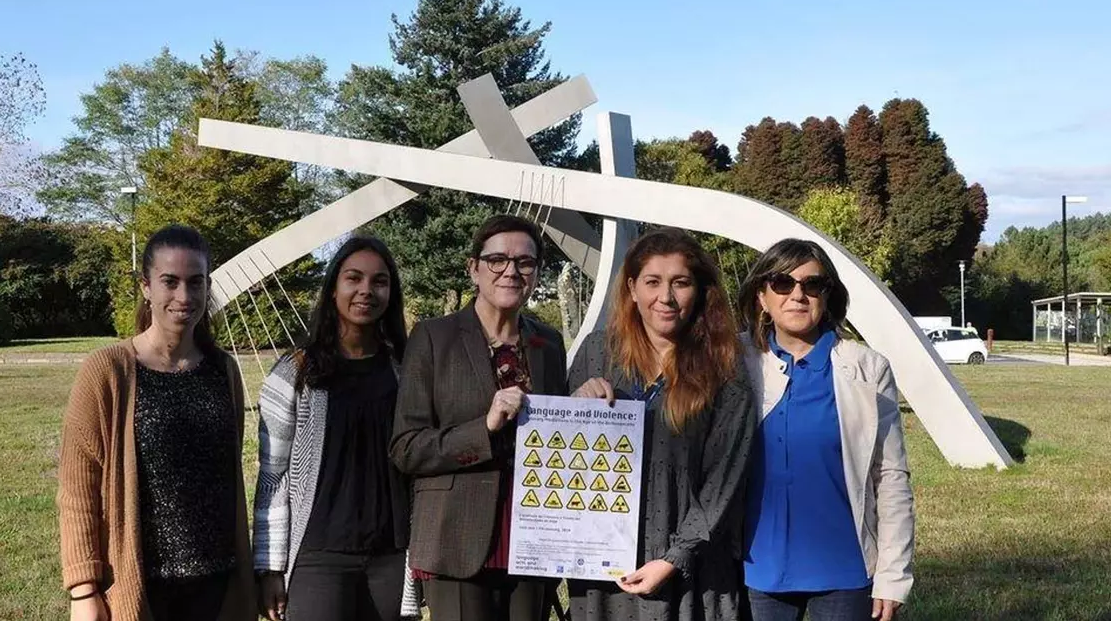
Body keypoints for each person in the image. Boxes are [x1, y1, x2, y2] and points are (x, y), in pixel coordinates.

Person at [57, 225, 256, 621]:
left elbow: (229, 473)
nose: (184, 296)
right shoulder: (107, 371)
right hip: (142, 586)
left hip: (217, 584)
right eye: (170, 282)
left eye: (196, 282)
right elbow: (78, 489)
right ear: (146, 287)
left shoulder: (223, 371)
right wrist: (84, 589)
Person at [569, 227, 757, 621]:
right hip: (606, 561)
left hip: (693, 567)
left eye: (681, 283)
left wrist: (676, 557)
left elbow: (726, 477)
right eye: (653, 282)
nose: (666, 297)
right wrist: (574, 406)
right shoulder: (597, 352)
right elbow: (566, 461)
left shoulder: (723, 364)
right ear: (632, 288)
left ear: (700, 291)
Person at [391, 214, 566, 621]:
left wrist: (585, 402)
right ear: (474, 268)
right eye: (497, 260)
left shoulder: (549, 343)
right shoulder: (433, 337)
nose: (511, 271)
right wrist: (484, 428)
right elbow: (406, 448)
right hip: (456, 539)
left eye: (525, 262)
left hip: (534, 540)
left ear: (537, 273)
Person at [735, 238, 915, 621]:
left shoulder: (868, 368)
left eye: (812, 284)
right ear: (762, 296)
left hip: (845, 572)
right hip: (756, 570)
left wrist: (893, 575)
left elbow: (890, 476)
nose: (797, 295)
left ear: (827, 295)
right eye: (782, 283)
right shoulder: (733, 361)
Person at [253, 236, 418, 621]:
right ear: (332, 289)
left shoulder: (406, 370)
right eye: (353, 278)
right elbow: (273, 475)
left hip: (391, 556)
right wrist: (270, 567)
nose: (366, 290)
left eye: (379, 282)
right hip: (318, 557)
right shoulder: (296, 372)